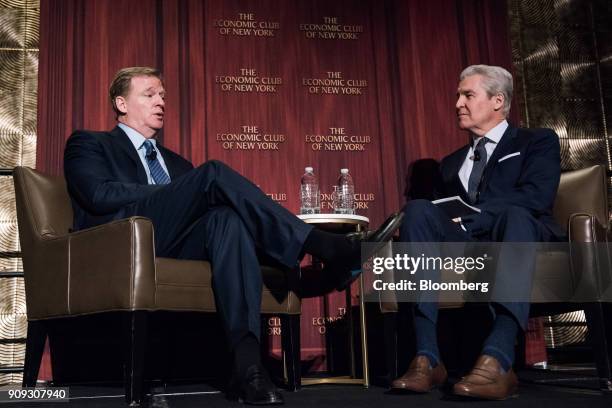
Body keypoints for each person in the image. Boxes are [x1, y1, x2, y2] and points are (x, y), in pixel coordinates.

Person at [63, 66, 403, 405]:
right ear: (121, 103)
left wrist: (181, 193)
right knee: (212, 174)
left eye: (163, 95)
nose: (161, 102)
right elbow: (98, 195)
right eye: (149, 94)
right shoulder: (90, 143)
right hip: (125, 240)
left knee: (227, 220)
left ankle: (248, 367)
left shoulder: (176, 162)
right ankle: (324, 249)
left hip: (176, 244)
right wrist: (169, 194)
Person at [391, 65, 564, 400]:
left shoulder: (536, 141)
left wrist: (480, 217)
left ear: (498, 100)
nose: (458, 103)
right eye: (458, 95)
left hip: (518, 235)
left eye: (467, 95)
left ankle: (498, 359)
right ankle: (427, 356)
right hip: (468, 244)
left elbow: (536, 197)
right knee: (418, 210)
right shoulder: (451, 163)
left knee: (515, 214)